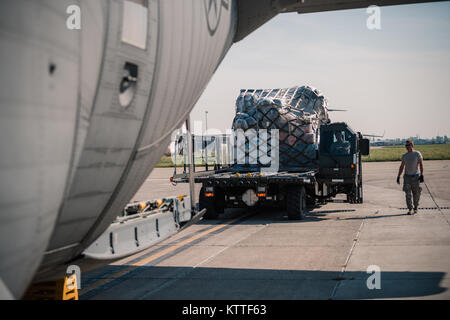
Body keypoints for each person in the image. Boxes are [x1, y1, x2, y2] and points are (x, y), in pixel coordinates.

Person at [396, 140, 424, 215]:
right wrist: (398, 176)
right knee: (408, 194)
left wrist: (422, 174)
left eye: (408, 145)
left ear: (412, 145)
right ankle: (410, 208)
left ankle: (416, 207)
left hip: (416, 177)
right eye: (406, 145)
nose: (407, 147)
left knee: (416, 193)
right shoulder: (404, 156)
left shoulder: (417, 154)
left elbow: (421, 164)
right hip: (407, 177)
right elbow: (402, 166)